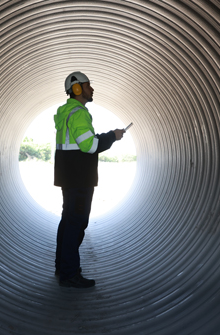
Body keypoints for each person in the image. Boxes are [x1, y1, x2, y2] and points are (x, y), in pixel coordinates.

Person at [53, 71, 125, 288]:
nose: (91, 89)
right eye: (87, 85)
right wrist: (113, 136)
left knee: (68, 222)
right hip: (80, 177)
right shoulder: (79, 113)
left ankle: (63, 266)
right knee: (76, 223)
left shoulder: (64, 112)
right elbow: (90, 145)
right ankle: (69, 273)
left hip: (69, 175)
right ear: (76, 89)